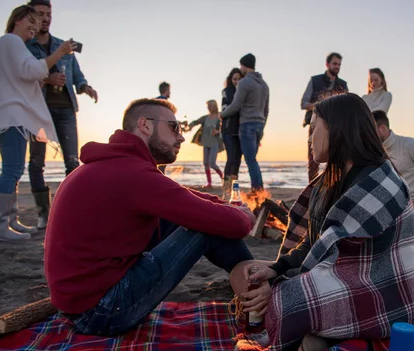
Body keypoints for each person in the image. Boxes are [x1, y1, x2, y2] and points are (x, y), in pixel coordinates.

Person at [230, 93, 414, 351]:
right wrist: (276, 269)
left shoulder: (380, 181)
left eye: (315, 128)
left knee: (283, 304)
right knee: (242, 272)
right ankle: (326, 334)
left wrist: (279, 284)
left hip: (381, 289)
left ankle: (329, 336)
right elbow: (316, 244)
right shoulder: (331, 180)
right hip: (336, 273)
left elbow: (334, 261)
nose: (310, 138)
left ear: (337, 131)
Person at [44, 98, 256, 336]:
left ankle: (255, 284)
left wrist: (228, 208)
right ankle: (259, 291)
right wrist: (242, 215)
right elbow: (234, 224)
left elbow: (186, 197)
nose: (181, 137)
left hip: (82, 305)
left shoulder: (119, 167)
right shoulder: (133, 174)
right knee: (206, 225)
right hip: (102, 312)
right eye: (173, 127)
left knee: (198, 216)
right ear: (144, 125)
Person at [0, 5, 74, 242]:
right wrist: (60, 52)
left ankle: (10, 221)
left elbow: (21, 76)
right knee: (12, 169)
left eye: (38, 23)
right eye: (32, 20)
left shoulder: (10, 44)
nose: (35, 26)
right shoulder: (11, 41)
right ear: (18, 19)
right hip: (11, 116)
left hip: (10, 116)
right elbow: (31, 70)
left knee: (14, 170)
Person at [26, 0, 98, 230]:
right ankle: (42, 214)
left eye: (48, 13)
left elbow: (77, 75)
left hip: (66, 109)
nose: (45, 18)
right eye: (39, 13)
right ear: (31, 16)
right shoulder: (25, 47)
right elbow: (23, 74)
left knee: (72, 161)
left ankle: (73, 209)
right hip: (38, 109)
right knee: (37, 162)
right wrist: (46, 79)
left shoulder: (64, 45)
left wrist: (85, 87)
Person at [220, 53, 269, 193]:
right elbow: (266, 110)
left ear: (244, 65)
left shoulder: (245, 82)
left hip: (247, 124)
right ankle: (256, 188)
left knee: (250, 160)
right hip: (259, 125)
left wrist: (221, 115)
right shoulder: (264, 85)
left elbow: (236, 105)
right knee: (251, 159)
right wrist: (262, 126)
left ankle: (257, 189)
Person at [301, 52, 348, 182]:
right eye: (334, 63)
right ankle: (312, 191)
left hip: (336, 126)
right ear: (327, 64)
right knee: (313, 161)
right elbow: (304, 104)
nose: (337, 67)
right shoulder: (315, 80)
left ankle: (332, 188)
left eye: (339, 64)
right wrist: (322, 106)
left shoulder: (343, 84)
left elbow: (347, 107)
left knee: (337, 160)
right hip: (316, 124)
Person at [187, 100, 223, 188]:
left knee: (212, 163)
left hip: (214, 142)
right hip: (205, 142)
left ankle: (223, 178)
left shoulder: (219, 116)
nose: (208, 108)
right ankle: (209, 183)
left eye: (210, 105)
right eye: (208, 106)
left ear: (214, 106)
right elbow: (196, 122)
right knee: (205, 163)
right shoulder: (206, 117)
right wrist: (190, 125)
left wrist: (218, 131)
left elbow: (224, 128)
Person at [221, 68, 243, 198]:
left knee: (238, 161)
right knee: (231, 159)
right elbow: (225, 109)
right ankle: (226, 190)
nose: (237, 81)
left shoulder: (245, 91)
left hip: (240, 131)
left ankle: (234, 189)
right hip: (228, 130)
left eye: (239, 79)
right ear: (231, 80)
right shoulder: (227, 91)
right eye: (235, 79)